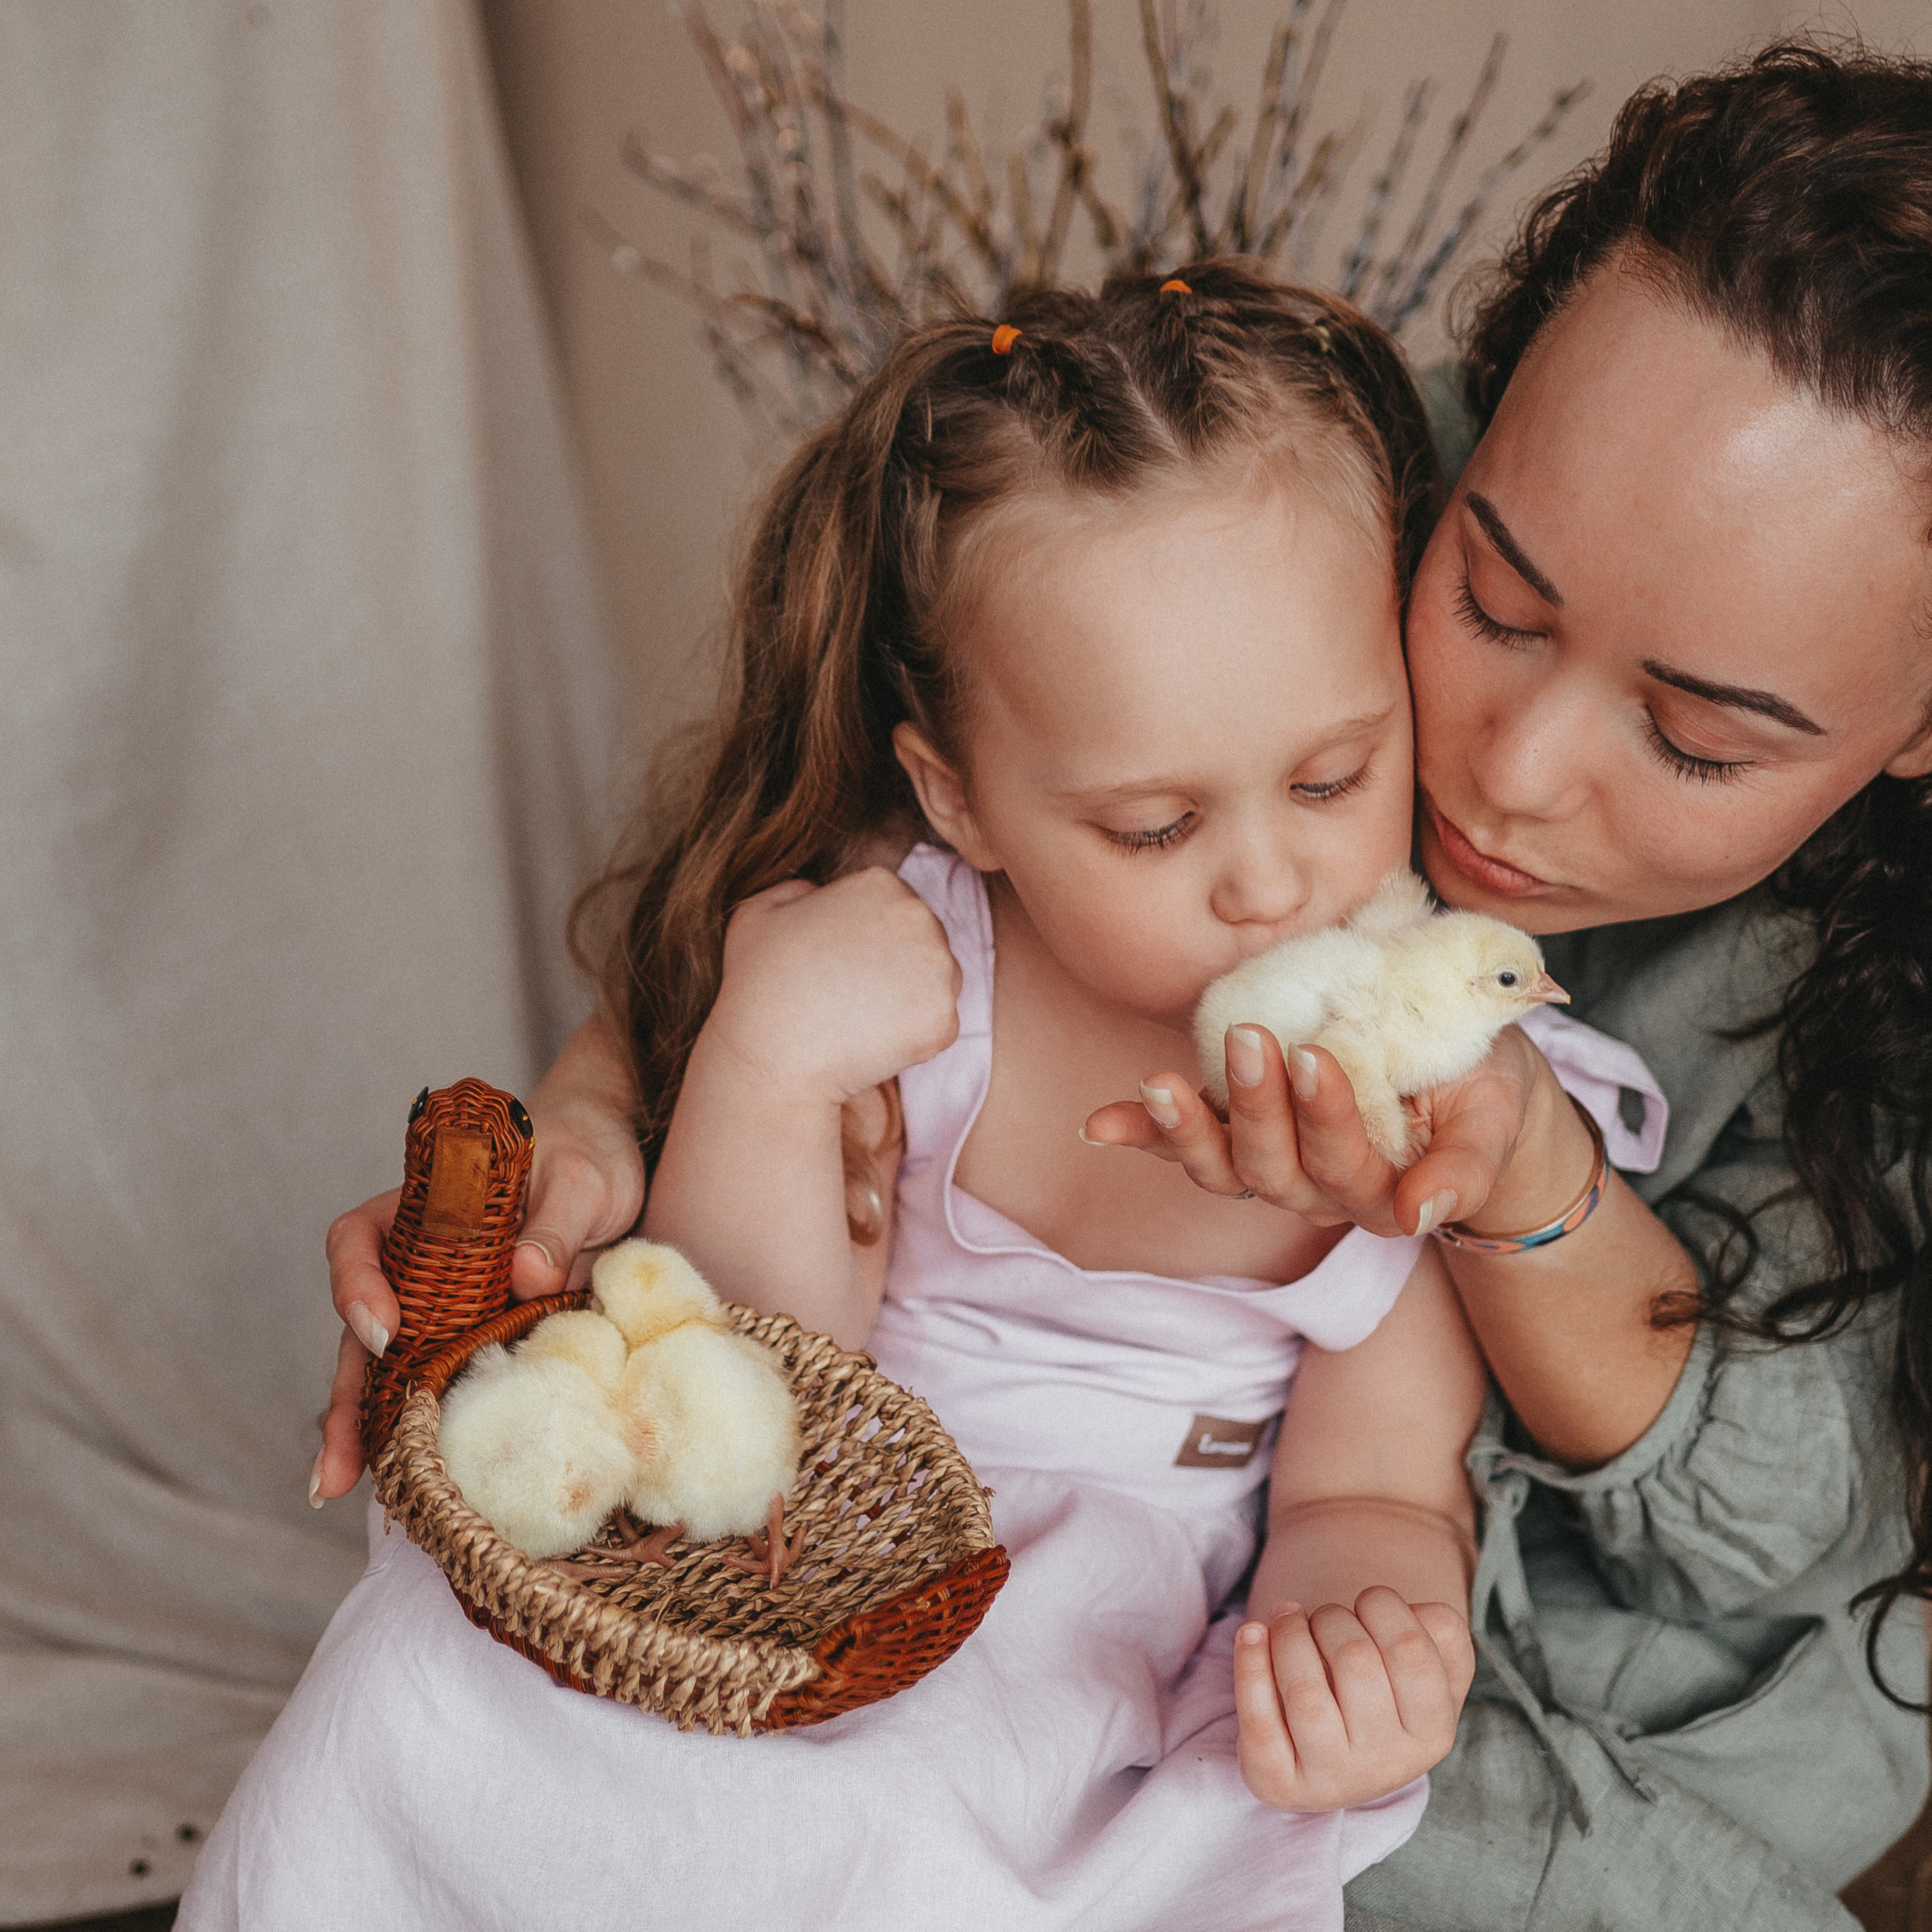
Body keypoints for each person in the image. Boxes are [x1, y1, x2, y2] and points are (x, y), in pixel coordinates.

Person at [302, 40, 1932, 1932]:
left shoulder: (1777, 1005)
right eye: (1488, 601)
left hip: (1505, 1695)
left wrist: (1502, 1183)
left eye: (1693, 738)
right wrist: (599, 1122)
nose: (1509, 768)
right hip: (930, 1553)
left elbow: (1766, 1516)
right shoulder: (1280, 489)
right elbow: (800, 909)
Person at [183, 263, 1654, 1931]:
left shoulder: (1420, 1081)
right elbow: (747, 1358)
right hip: (781, 1521)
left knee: (867, 1833)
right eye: (1153, 826)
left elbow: (1368, 1488)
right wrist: (765, 1053)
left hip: (1063, 1630)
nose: (1266, 878)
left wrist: (1360, 1626)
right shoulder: (910, 970)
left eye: (1330, 775)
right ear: (960, 799)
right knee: (415, 1688)